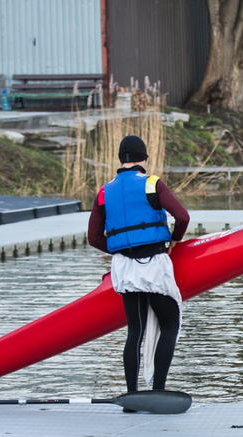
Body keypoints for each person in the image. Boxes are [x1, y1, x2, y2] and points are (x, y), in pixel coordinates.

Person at [88, 135, 190, 396]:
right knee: (169, 324)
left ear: (120, 159)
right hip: (153, 264)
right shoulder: (151, 184)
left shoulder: (103, 191)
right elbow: (182, 216)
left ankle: (132, 394)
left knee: (136, 330)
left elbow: (94, 238)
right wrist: (175, 240)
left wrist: (119, 251)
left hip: (124, 269)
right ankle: (157, 391)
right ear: (144, 158)